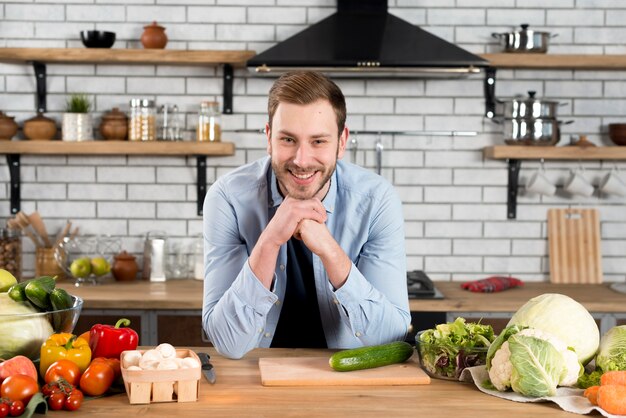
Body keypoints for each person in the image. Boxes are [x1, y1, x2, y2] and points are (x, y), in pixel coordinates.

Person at [201, 71, 410, 359]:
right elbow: (227, 342)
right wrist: (270, 240)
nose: (301, 160)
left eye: (318, 141)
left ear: (342, 141)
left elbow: (391, 338)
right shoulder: (228, 198)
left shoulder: (376, 201)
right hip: (255, 379)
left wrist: (330, 251)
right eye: (288, 139)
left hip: (347, 382)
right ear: (269, 138)